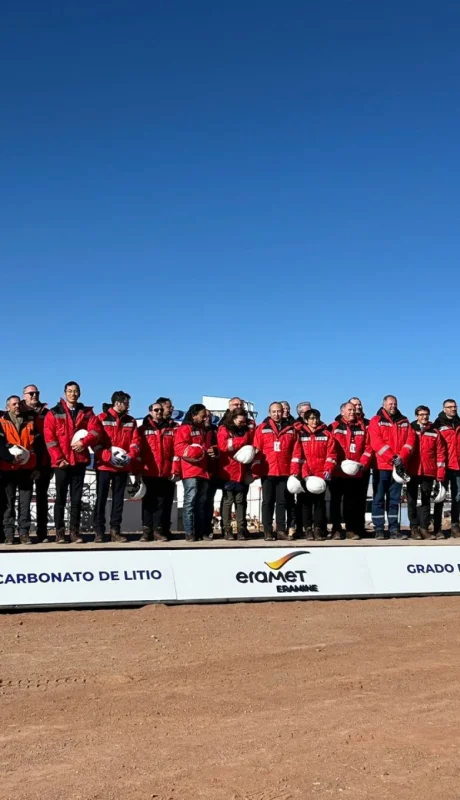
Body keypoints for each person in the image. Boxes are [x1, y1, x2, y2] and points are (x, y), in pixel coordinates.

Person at [44, 382, 101, 543]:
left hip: (79, 461)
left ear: (79, 393)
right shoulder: (54, 413)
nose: (72, 394)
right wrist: (59, 459)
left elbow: (95, 431)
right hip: (61, 463)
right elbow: (50, 439)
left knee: (76, 500)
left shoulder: (87, 413)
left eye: (75, 391)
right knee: (60, 498)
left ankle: (74, 532)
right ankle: (60, 532)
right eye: (69, 391)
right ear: (64, 393)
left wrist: (84, 441)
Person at [93, 391, 141, 543]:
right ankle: (99, 531)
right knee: (100, 499)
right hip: (104, 466)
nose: (128, 406)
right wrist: (108, 457)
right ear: (117, 403)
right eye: (126, 403)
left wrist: (130, 456)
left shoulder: (131, 421)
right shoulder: (101, 418)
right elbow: (96, 442)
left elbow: (135, 441)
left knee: (118, 500)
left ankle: (115, 531)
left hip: (122, 467)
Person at [368, 395, 416, 540]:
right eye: (390, 404)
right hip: (382, 466)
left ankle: (394, 529)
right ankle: (379, 529)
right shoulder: (376, 420)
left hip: (399, 467)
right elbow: (376, 442)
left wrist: (402, 456)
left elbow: (411, 439)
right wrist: (392, 458)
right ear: (383, 405)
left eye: (395, 404)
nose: (393, 406)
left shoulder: (405, 421)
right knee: (378, 498)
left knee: (395, 499)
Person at [252, 402, 297, 541]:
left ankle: (281, 530)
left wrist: (294, 470)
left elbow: (296, 450)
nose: (277, 414)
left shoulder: (291, 429)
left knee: (282, 502)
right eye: (274, 412)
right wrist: (256, 470)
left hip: (284, 471)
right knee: (267, 502)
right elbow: (256, 449)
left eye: (279, 411)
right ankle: (267, 531)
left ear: (283, 412)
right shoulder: (262, 428)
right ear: (269, 412)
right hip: (268, 470)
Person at [291, 408, 337, 540]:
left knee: (319, 504)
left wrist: (328, 470)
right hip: (305, 474)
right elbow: (297, 455)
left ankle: (318, 528)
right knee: (305, 503)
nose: (314, 421)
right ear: (306, 420)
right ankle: (308, 529)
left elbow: (331, 454)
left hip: (320, 475)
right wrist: (300, 473)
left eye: (316, 418)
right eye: (311, 418)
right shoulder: (299, 434)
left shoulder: (327, 434)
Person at [329, 402, 373, 540]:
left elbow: (368, 447)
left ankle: (351, 529)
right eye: (349, 410)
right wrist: (334, 464)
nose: (352, 412)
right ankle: (336, 529)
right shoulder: (334, 426)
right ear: (342, 412)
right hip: (337, 471)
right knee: (335, 501)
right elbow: (329, 447)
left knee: (351, 502)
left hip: (355, 472)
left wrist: (362, 464)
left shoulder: (362, 427)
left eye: (354, 410)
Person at [174, 403, 217, 542]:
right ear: (193, 415)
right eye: (202, 416)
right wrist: (198, 452)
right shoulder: (185, 429)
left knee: (201, 503)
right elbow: (179, 447)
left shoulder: (202, 430)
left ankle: (200, 531)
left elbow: (205, 446)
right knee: (190, 502)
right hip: (190, 471)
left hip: (203, 471)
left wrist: (212, 450)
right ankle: (189, 532)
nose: (205, 419)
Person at [0, 396, 37, 545]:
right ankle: (9, 534)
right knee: (8, 504)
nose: (17, 406)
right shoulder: (1, 422)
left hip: (27, 468)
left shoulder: (30, 421)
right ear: (7, 406)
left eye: (18, 404)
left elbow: (37, 445)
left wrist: (36, 467)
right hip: (8, 468)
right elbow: (0, 444)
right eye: (13, 404)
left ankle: (24, 533)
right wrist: (9, 458)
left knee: (25, 503)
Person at [407, 405, 446, 540]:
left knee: (425, 500)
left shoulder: (434, 431)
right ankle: (414, 528)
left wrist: (440, 473)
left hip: (428, 471)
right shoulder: (410, 429)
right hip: (412, 471)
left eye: (426, 414)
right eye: (422, 414)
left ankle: (424, 528)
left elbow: (440, 453)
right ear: (416, 416)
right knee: (411, 500)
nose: (424, 417)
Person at [139, 402, 176, 542]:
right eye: (156, 410)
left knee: (161, 503)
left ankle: (158, 530)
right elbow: (139, 449)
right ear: (150, 412)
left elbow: (174, 450)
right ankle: (146, 531)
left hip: (165, 471)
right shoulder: (142, 429)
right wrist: (137, 469)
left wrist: (174, 469)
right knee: (148, 502)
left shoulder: (170, 429)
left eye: (161, 410)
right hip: (149, 471)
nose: (159, 412)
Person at [217, 407, 254, 540]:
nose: (242, 424)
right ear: (233, 419)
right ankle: (226, 529)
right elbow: (223, 445)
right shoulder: (224, 429)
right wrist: (242, 442)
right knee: (228, 500)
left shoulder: (247, 430)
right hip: (228, 470)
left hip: (242, 470)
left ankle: (241, 529)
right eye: (240, 422)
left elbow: (252, 446)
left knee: (241, 500)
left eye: (244, 422)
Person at [21, 384, 51, 542]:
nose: (34, 396)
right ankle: (22, 532)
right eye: (31, 393)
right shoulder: (18, 412)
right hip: (23, 463)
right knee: (22, 499)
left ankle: (42, 532)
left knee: (42, 498)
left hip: (44, 462)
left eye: (36, 393)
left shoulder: (47, 413)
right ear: (24, 395)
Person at [433, 399, 460, 538]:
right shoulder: (437, 424)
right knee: (440, 497)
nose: (453, 409)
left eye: (455, 407)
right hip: (443, 467)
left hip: (458, 467)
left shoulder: (459, 423)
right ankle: (437, 528)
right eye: (450, 407)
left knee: (458, 498)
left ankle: (455, 526)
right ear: (444, 409)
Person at [154, 397, 180, 537]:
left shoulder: (174, 426)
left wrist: (175, 469)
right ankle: (154, 529)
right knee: (156, 501)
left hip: (170, 470)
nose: (171, 409)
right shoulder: (150, 425)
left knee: (168, 501)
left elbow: (177, 448)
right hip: (154, 470)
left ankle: (165, 528)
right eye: (169, 407)